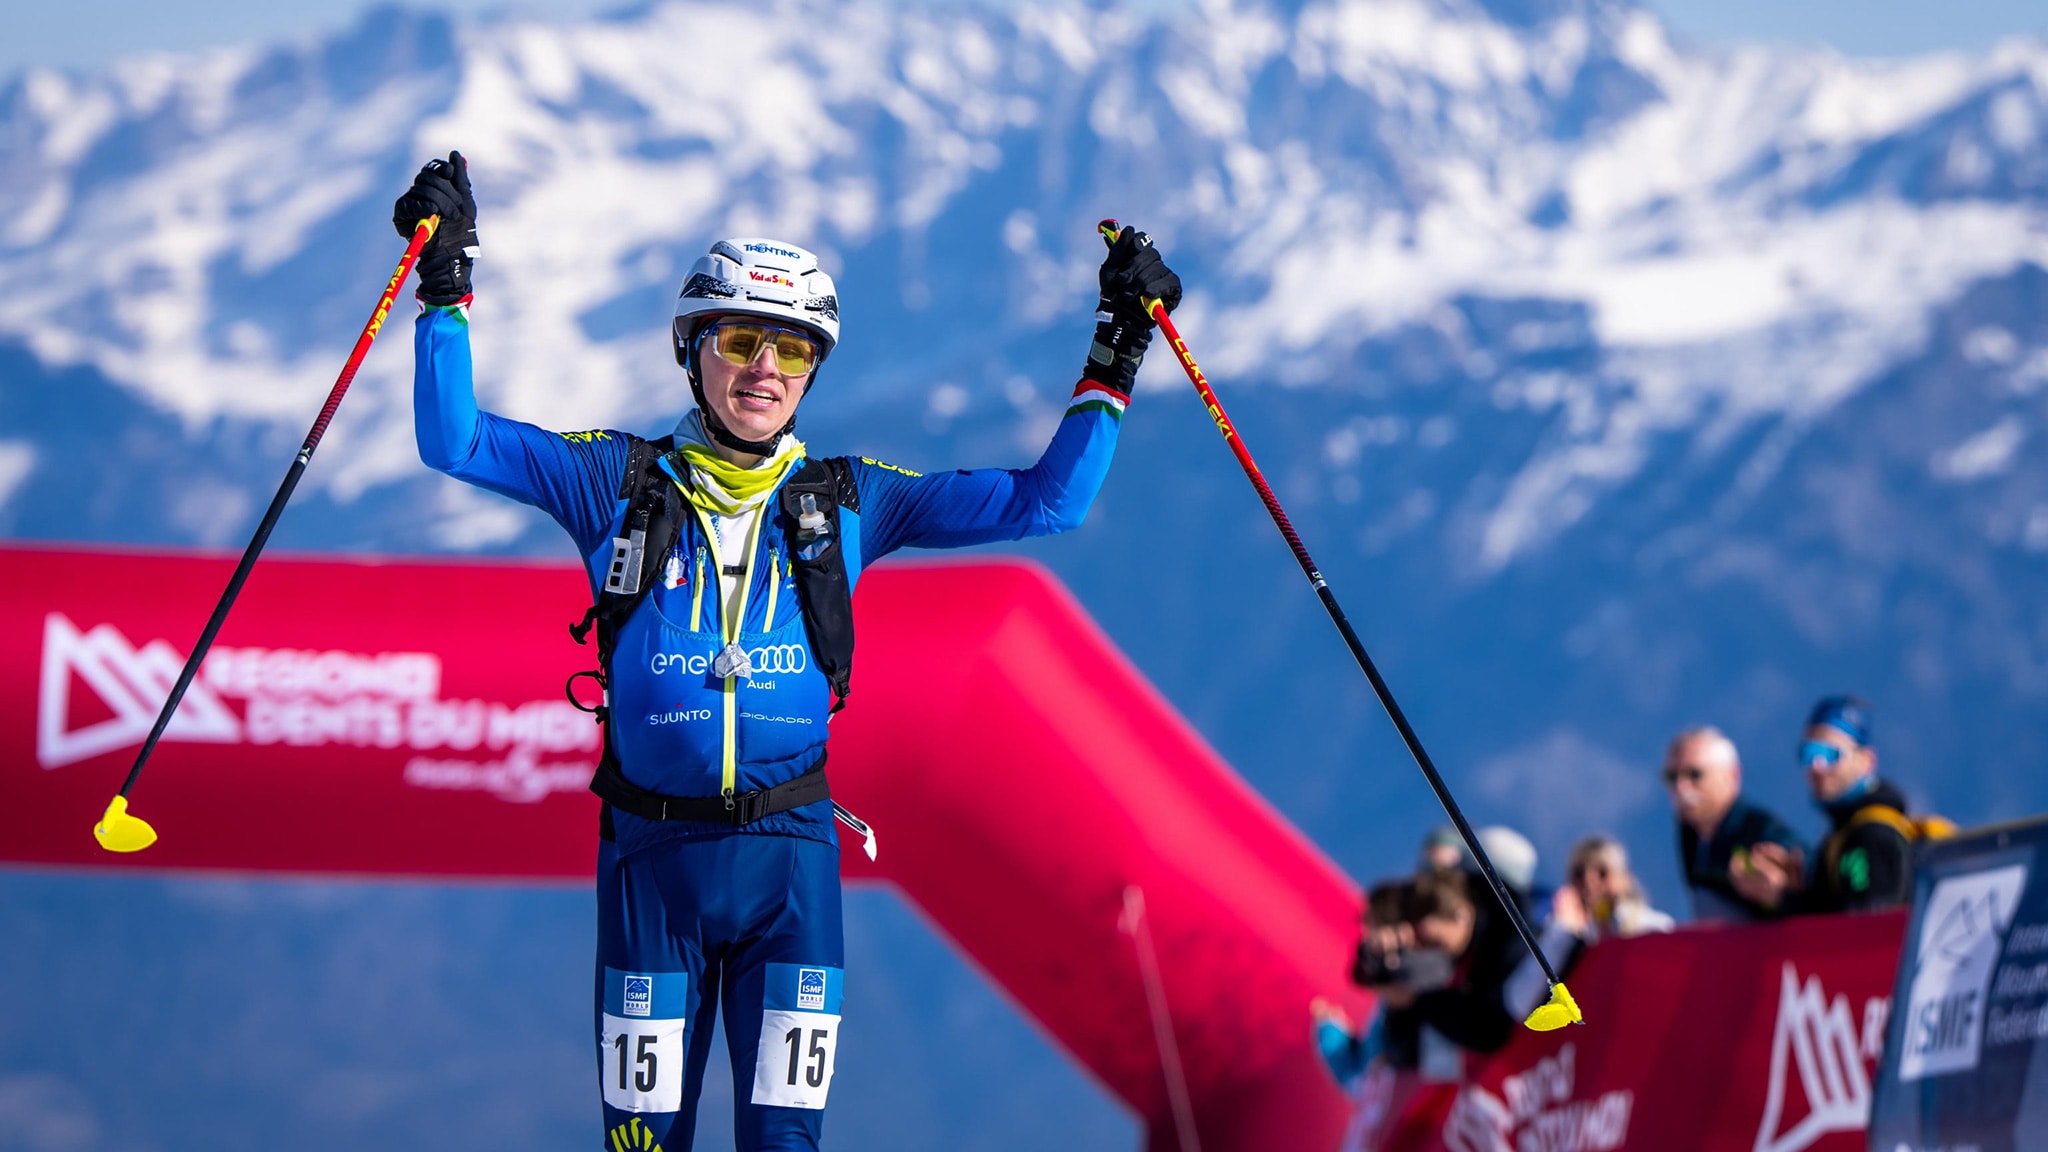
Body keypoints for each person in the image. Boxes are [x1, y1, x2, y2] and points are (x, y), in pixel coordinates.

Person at [394, 152, 1180, 1151]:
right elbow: (452, 439)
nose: (764, 369)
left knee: (784, 1146)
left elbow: (1047, 504)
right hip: (652, 866)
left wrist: (1116, 351)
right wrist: (447, 284)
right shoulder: (614, 482)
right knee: (641, 1145)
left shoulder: (851, 499)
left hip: (788, 868)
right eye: (739, 339)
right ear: (694, 350)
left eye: (793, 351)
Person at [1741, 696, 1942, 915]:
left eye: (1830, 754)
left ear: (1866, 760)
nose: (1817, 767)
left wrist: (1784, 898)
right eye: (1808, 754)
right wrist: (1799, 889)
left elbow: (1864, 933)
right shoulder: (1844, 834)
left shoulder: (1870, 836)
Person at [1662, 726, 1803, 922]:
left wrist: (1784, 894)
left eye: (1694, 774)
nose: (1681, 787)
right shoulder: (1690, 834)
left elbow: (1806, 880)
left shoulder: (1760, 831)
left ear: (1732, 775)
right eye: (1671, 777)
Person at [1551, 836, 1674, 942]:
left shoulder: (1654, 928)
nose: (1590, 883)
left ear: (1625, 878)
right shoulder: (1572, 933)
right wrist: (1566, 933)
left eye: (1602, 873)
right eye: (1579, 874)